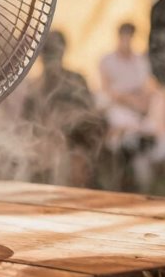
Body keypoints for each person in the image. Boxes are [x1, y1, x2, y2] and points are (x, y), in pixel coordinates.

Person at [23, 31, 106, 188]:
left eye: (55, 53)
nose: (52, 59)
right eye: (48, 53)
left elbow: (90, 113)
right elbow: (27, 126)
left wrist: (70, 120)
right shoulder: (35, 89)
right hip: (46, 145)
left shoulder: (75, 80)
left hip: (77, 141)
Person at [98, 22, 165, 191]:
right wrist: (129, 101)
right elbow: (107, 91)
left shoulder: (140, 61)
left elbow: (149, 88)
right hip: (118, 108)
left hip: (140, 109)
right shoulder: (107, 60)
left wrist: (142, 103)